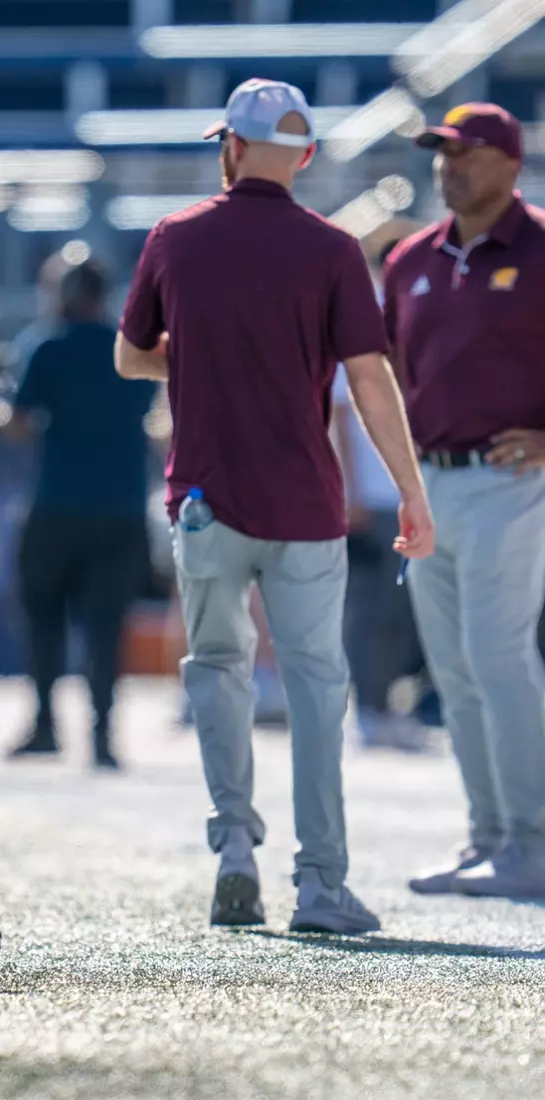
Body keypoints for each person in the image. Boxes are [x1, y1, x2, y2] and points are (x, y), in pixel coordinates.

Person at [115, 79, 434, 934]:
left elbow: (130, 356)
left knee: (218, 673)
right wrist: (410, 492)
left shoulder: (175, 239)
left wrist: (199, 358)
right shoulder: (331, 250)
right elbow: (370, 380)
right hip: (304, 504)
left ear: (229, 146)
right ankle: (322, 884)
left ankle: (234, 849)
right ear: (306, 156)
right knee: (318, 689)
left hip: (207, 501)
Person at [383, 104, 545, 898]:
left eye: (467, 153)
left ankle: (534, 839)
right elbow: (382, 375)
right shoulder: (409, 257)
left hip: (512, 479)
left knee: (499, 658)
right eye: (441, 153)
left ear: (510, 164)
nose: (448, 165)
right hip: (430, 483)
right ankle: (489, 837)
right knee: (453, 668)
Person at [6, 250, 155, 770]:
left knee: (44, 617)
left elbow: (19, 420)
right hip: (122, 506)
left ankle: (46, 725)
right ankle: (102, 736)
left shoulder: (46, 345)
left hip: (57, 504)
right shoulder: (129, 348)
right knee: (106, 626)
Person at [332, 227, 431, 752]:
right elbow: (345, 411)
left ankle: (388, 704)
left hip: (407, 487)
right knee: (372, 610)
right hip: (372, 493)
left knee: (405, 610)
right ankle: (367, 709)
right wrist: (348, 491)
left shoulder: (409, 309)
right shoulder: (366, 310)